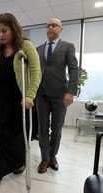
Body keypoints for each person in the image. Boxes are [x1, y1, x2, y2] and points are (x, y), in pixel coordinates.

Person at [0, 13, 41, 190]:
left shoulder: (26, 46)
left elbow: (36, 73)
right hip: (1, 100)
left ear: (14, 29)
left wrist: (30, 96)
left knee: (17, 137)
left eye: (4, 31)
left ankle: (19, 162)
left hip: (21, 100)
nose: (0, 35)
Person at [36, 18, 79, 174]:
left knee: (56, 128)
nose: (50, 28)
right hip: (41, 94)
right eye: (48, 25)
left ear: (61, 29)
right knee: (42, 128)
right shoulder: (38, 49)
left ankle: (53, 156)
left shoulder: (67, 46)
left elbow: (74, 69)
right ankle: (44, 158)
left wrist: (70, 91)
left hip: (60, 95)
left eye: (54, 25)